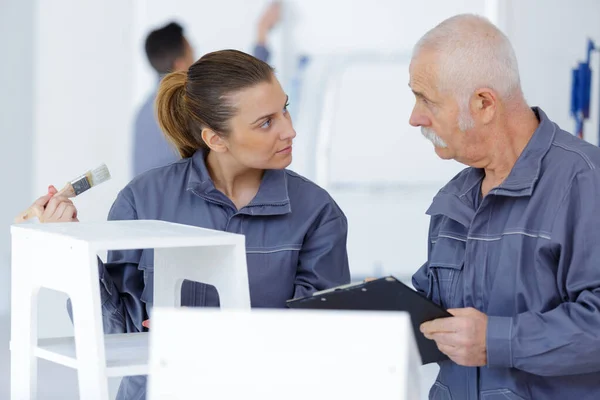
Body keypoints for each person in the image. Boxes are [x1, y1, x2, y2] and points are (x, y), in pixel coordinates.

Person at [31, 49, 350, 399]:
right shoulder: (143, 199)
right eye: (266, 122)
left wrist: (206, 337)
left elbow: (320, 339)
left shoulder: (317, 211)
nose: (290, 130)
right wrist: (72, 242)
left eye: (284, 108)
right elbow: (115, 333)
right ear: (216, 139)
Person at [409, 14, 600, 399]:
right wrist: (386, 308)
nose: (415, 118)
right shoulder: (456, 196)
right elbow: (443, 319)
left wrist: (498, 340)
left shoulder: (584, 180)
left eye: (426, 99)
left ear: (483, 103)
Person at [133, 2, 282, 177]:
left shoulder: (141, 114)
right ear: (180, 65)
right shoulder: (187, 103)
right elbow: (244, 93)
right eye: (191, 53)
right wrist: (262, 32)